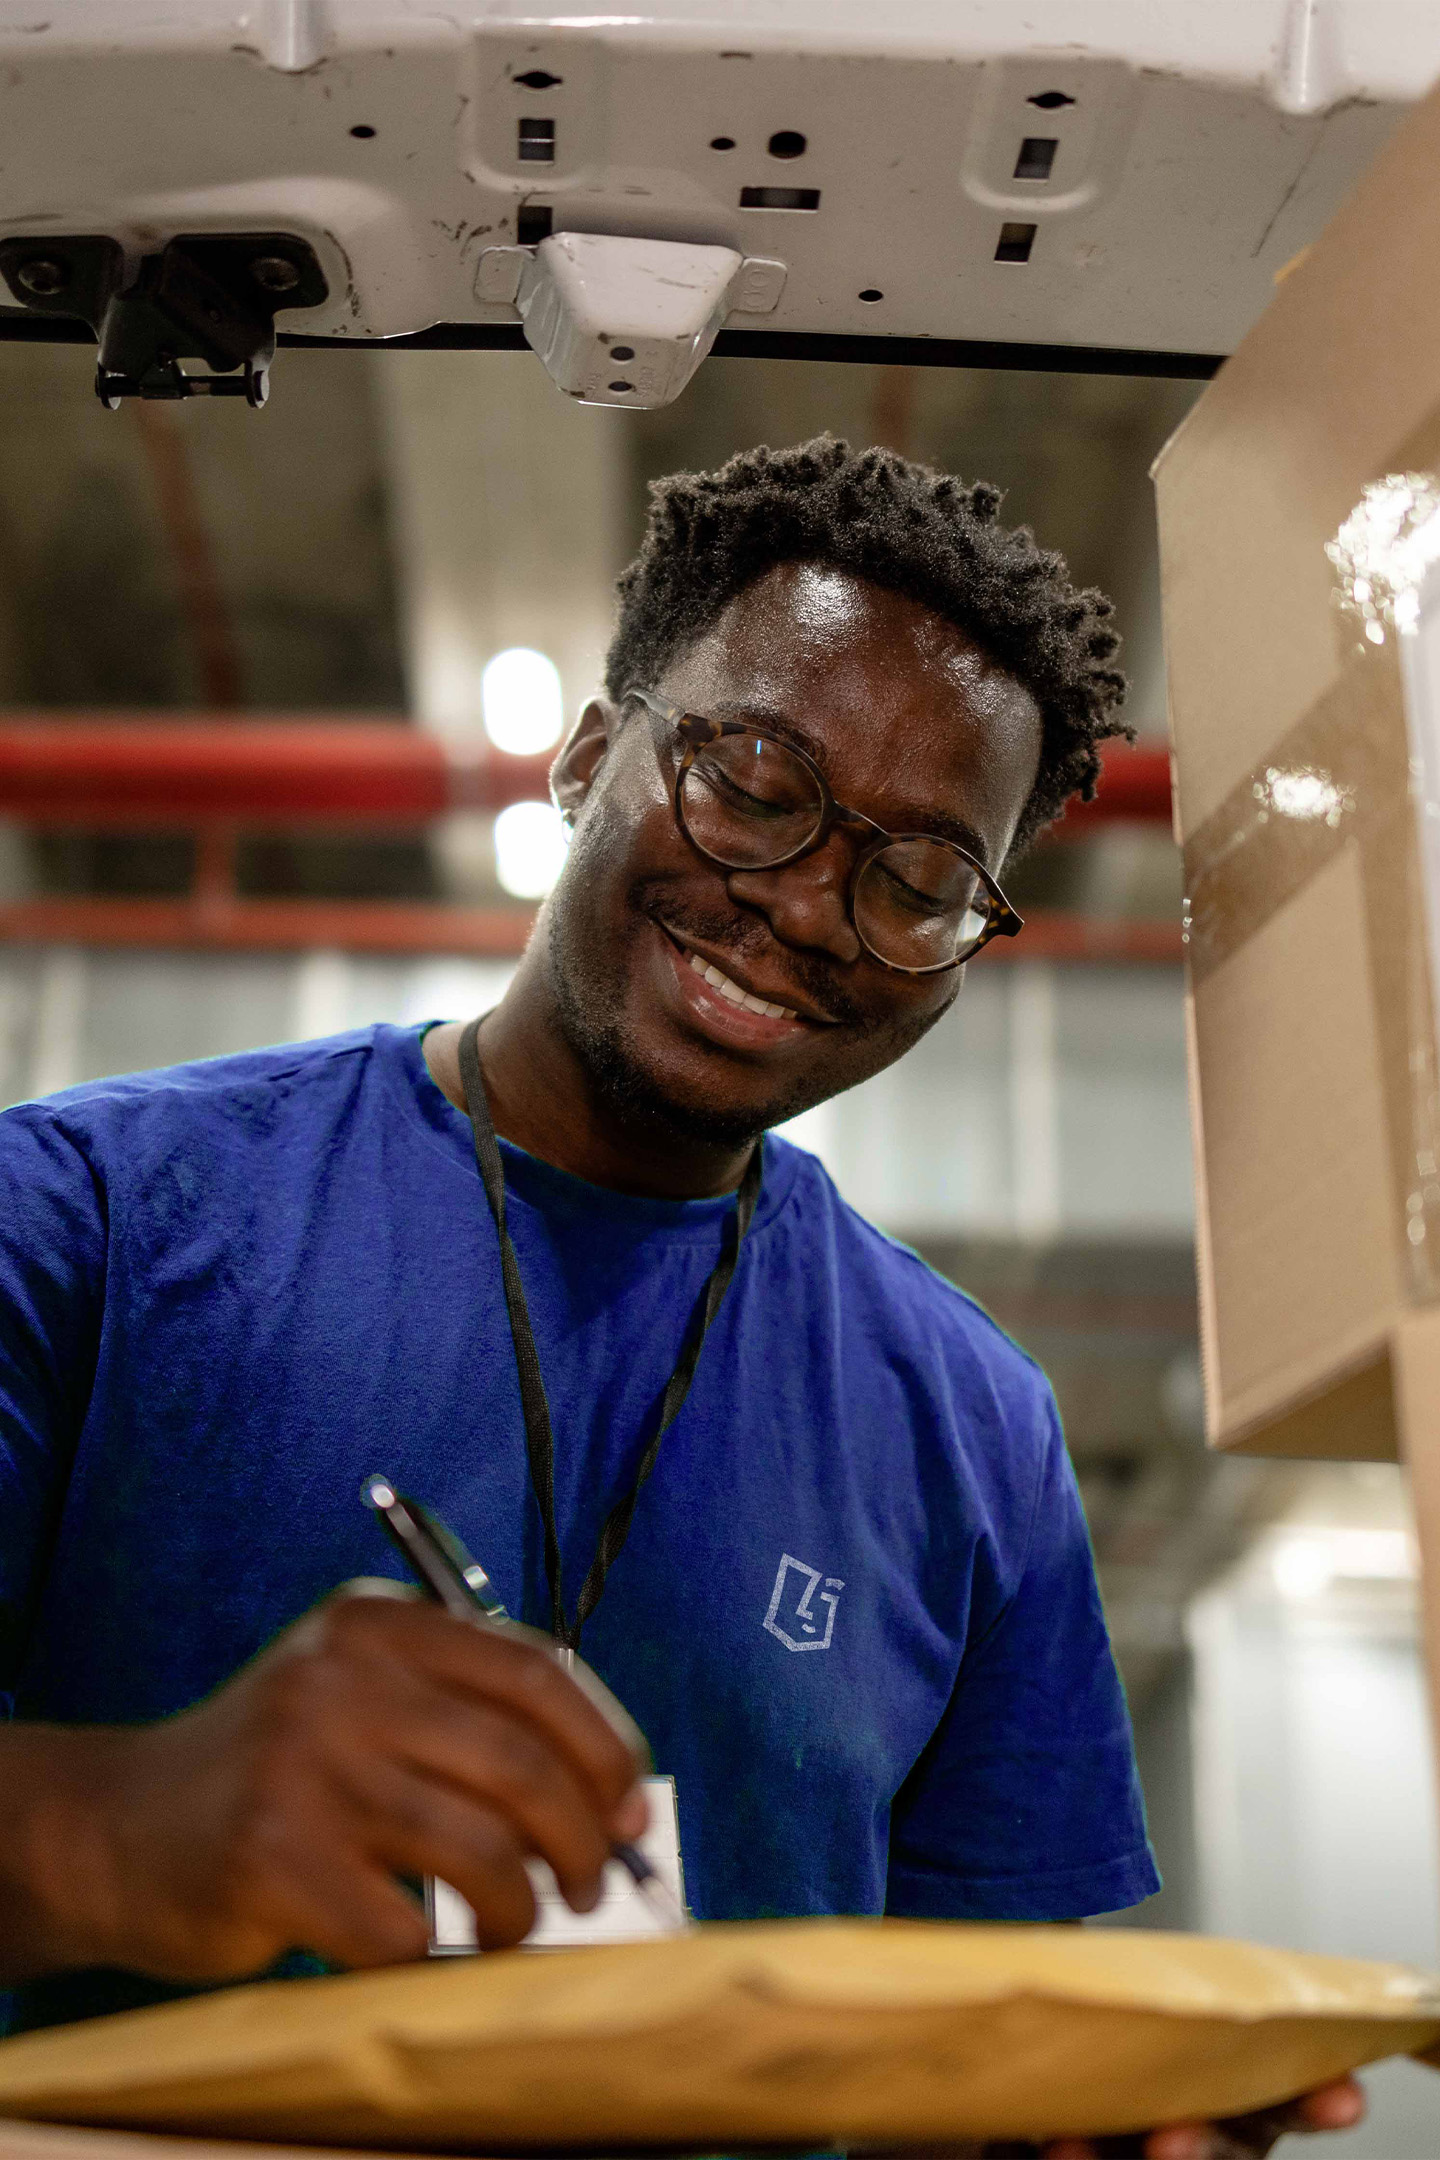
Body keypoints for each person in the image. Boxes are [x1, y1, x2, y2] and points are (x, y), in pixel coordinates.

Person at [0, 438, 1363, 2159]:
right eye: (751, 779)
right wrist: (103, 1833)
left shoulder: (973, 1430)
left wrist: (1084, 2122)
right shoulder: (93, 1225)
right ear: (588, 754)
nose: (804, 903)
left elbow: (962, 2046)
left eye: (923, 880)